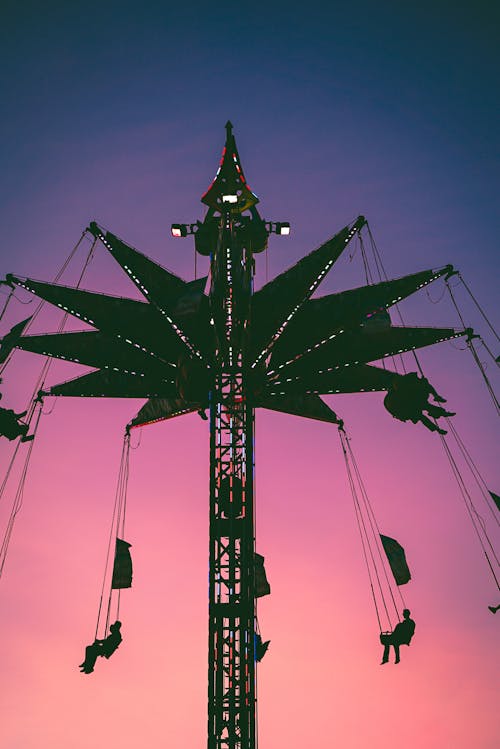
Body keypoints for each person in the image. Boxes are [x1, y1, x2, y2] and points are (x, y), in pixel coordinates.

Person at [384, 373, 455, 435]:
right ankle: (437, 397)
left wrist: (438, 429)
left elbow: (426, 418)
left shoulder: (418, 407)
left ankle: (437, 397)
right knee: (425, 388)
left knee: (425, 389)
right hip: (403, 400)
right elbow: (427, 417)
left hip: (403, 400)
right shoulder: (419, 406)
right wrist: (438, 429)